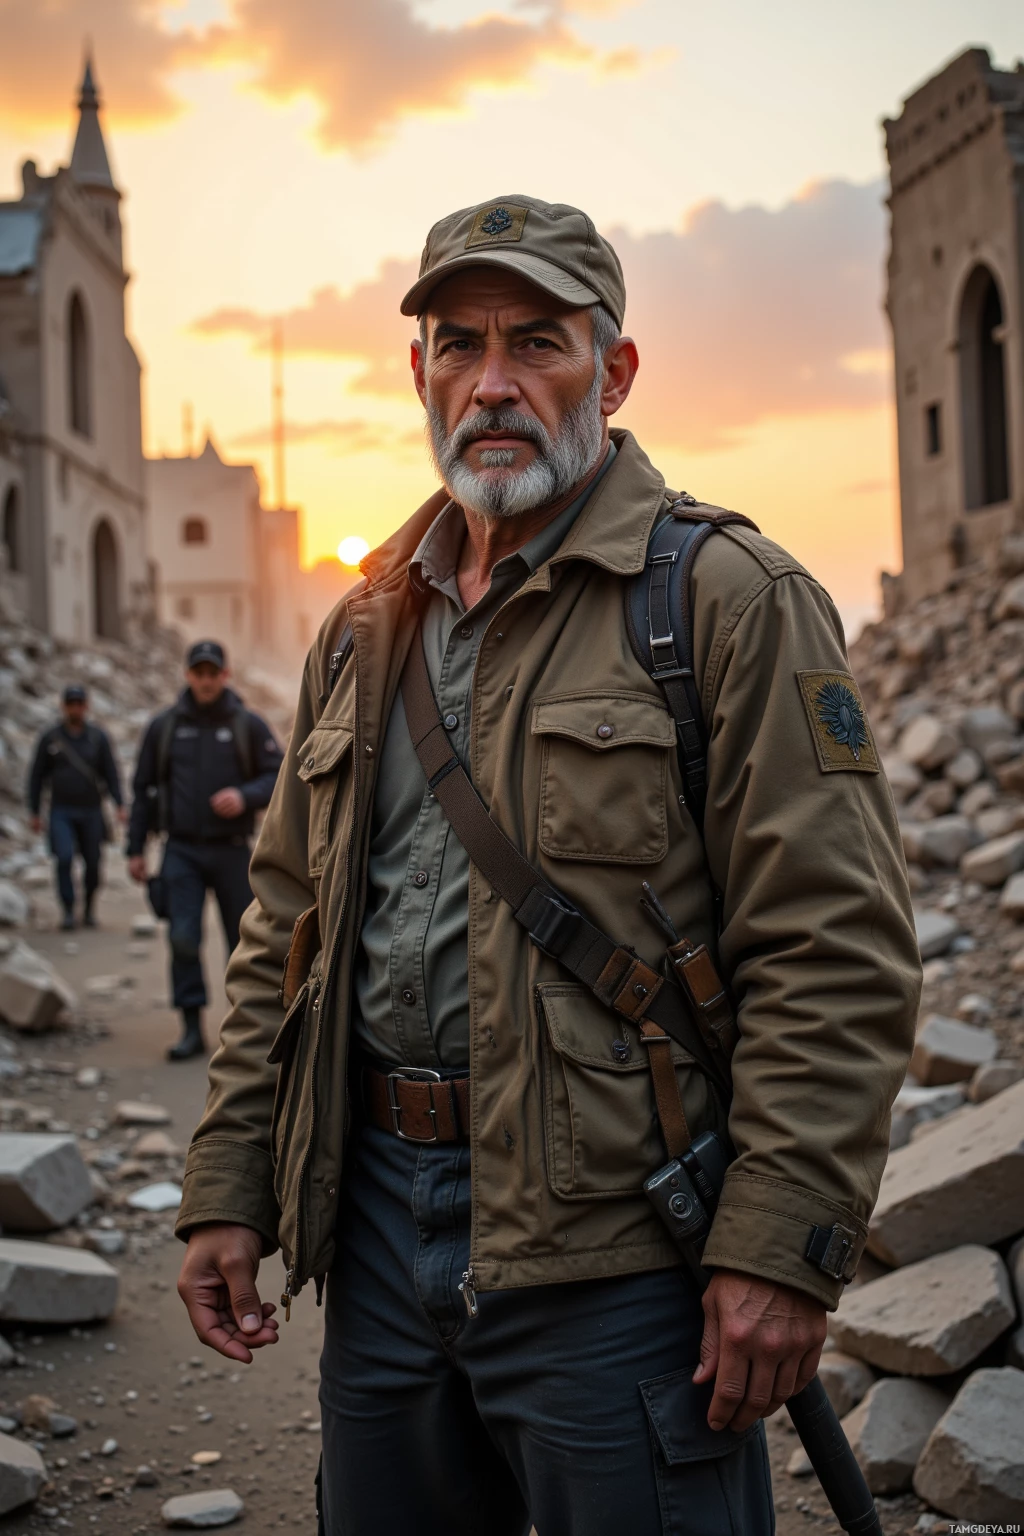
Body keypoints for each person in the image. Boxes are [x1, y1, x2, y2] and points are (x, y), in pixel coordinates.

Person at [175, 197, 921, 1535]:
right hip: (381, 1243)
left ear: (615, 370)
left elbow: (837, 950)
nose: (493, 384)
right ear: (418, 376)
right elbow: (283, 932)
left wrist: (780, 1252)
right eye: (456, 347)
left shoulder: (724, 600)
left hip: (622, 1259)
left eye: (538, 343)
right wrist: (229, 1186)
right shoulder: (362, 625)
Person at [127, 640, 283, 1062]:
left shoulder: (246, 724)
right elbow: (142, 790)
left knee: (244, 944)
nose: (206, 680)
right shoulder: (165, 727)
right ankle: (191, 1028)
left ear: (225, 675)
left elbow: (279, 775)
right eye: (199, 673)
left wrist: (245, 794)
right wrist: (135, 848)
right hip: (180, 851)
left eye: (214, 673)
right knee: (181, 937)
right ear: (188, 675)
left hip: (232, 851)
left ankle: (245, 1031)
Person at [27, 683, 124, 931]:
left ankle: (89, 907)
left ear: (86, 706)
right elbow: (37, 776)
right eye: (71, 704)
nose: (75, 709)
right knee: (64, 857)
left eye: (79, 704)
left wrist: (119, 803)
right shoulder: (51, 738)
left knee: (93, 861)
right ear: (64, 707)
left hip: (92, 810)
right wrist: (34, 811)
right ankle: (68, 909)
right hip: (61, 810)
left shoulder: (97, 737)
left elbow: (111, 772)